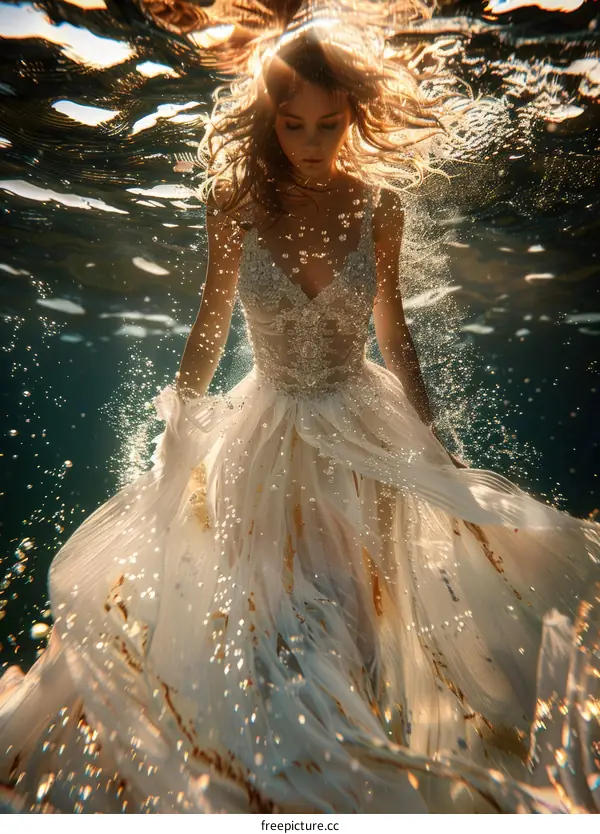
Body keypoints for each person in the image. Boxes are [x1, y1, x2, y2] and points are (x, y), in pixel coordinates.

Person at [1, 25, 599, 815]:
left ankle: (329, 799)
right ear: (268, 119)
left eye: (328, 123)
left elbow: (394, 329)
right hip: (266, 440)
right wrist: (178, 414)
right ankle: (289, 798)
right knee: (287, 629)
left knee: (352, 629)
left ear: (353, 114)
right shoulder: (236, 205)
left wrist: (433, 441)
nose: (311, 143)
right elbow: (211, 322)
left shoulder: (379, 205)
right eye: (293, 124)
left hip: (367, 435)